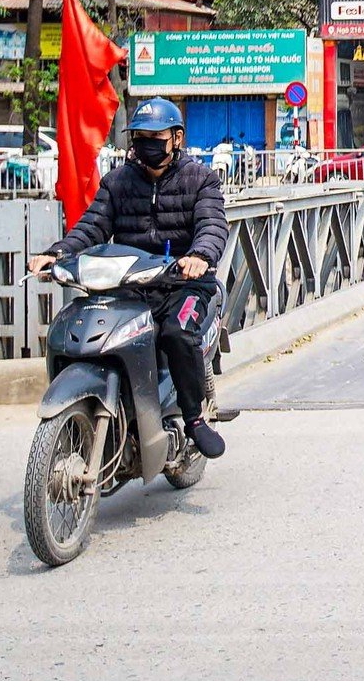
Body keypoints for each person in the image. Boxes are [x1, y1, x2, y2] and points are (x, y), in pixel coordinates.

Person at [29, 99, 230, 459]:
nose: (146, 144)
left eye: (156, 136)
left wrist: (199, 256)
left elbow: (212, 225)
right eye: (139, 137)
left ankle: (194, 418)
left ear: (176, 138)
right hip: (132, 285)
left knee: (176, 332)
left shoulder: (200, 179)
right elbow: (92, 226)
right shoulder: (117, 182)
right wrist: (57, 254)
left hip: (183, 284)